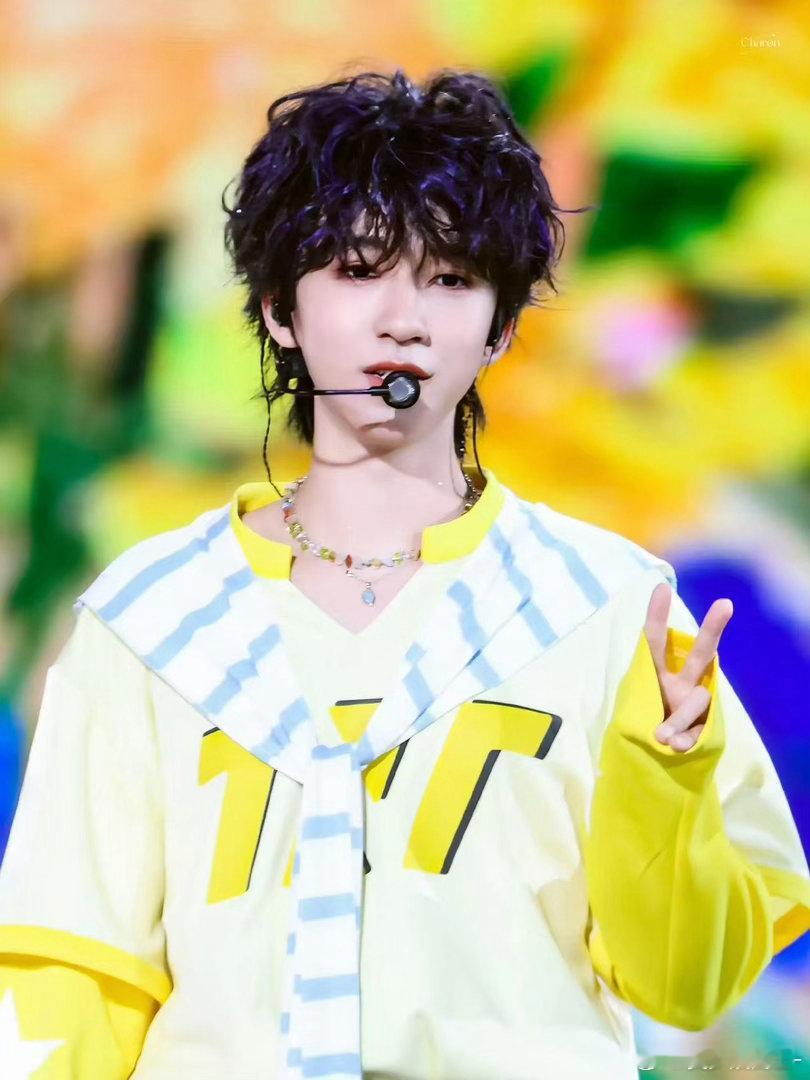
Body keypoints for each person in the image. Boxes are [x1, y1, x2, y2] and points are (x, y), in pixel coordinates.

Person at [0, 67, 808, 1080]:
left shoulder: (606, 607)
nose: (402, 318)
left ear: (502, 326)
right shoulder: (153, 618)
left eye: (451, 279)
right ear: (279, 309)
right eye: (357, 269)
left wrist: (669, 774)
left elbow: (686, 986)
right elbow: (75, 980)